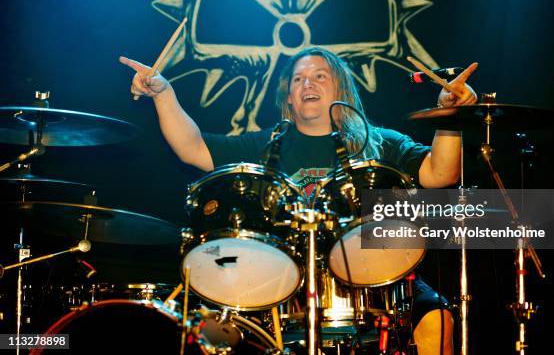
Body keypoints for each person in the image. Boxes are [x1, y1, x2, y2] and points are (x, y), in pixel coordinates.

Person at [120, 47, 478, 354]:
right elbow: (192, 148)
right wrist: (163, 94)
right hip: (287, 286)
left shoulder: (380, 141)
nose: (308, 84)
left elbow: (440, 174)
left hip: (377, 281)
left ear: (341, 88)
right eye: (298, 79)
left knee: (438, 323)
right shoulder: (268, 145)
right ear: (289, 97)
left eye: (320, 76)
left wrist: (451, 116)